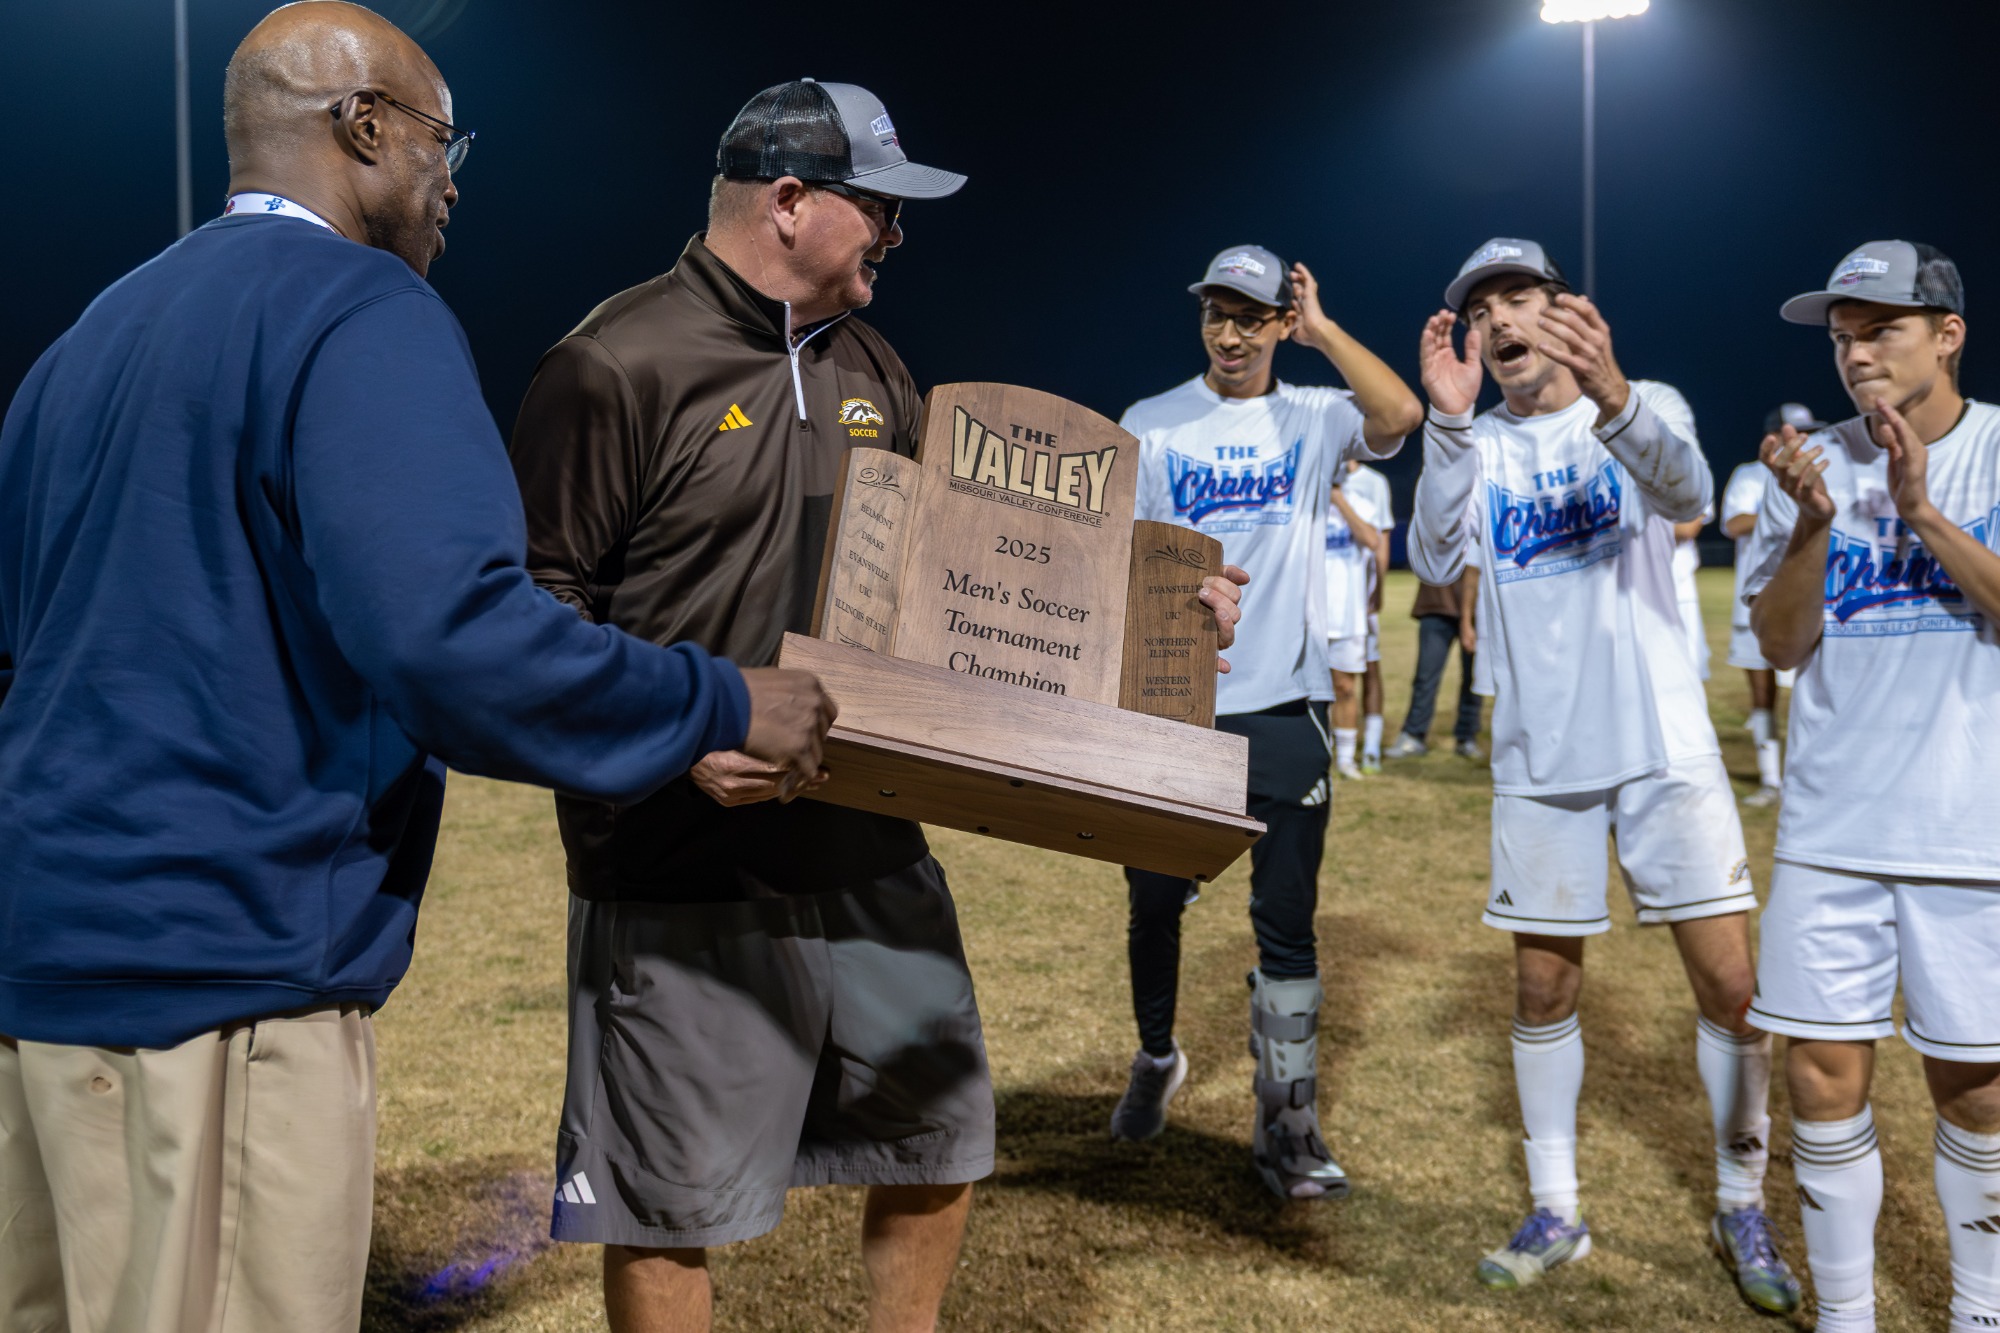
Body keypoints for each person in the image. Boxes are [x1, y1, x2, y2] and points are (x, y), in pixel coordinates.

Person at [0, 8, 834, 1331]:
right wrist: (722, 698)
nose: (453, 182)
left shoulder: (85, 341)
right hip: (223, 976)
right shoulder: (361, 306)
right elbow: (455, 639)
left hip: (42, 977)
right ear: (366, 129)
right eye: (445, 143)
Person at [507, 81, 1244, 1332]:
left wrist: (1156, 618)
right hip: (680, 862)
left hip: (868, 842)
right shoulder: (611, 362)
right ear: (789, 204)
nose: (896, 236)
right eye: (878, 208)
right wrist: (684, 736)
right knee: (667, 1200)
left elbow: (959, 581)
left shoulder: (874, 368)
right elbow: (532, 610)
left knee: (939, 1136)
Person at [1409, 237, 1799, 1311]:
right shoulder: (1476, 442)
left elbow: (1681, 485)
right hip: (1540, 759)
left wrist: (1615, 388)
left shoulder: (1637, 404)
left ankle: (1737, 1201)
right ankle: (1556, 1208)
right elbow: (1436, 558)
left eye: (1515, 298)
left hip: (1663, 744)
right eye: (1479, 309)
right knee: (1541, 986)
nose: (1495, 322)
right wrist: (1443, 422)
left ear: (1560, 310)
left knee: (1730, 987)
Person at [1107, 244, 1421, 1202]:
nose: (1230, 333)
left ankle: (1288, 1125)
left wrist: (1323, 329)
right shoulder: (1151, 422)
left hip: (1285, 705)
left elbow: (1401, 414)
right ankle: (1158, 1054)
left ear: (1281, 325)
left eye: (1251, 316)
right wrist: (1173, 583)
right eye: (1216, 313)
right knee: (1155, 904)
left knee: (1286, 923)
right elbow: (1117, 556)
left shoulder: (1316, 417)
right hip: (1175, 710)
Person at [1747, 241, 2000, 1333]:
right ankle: (1846, 1318)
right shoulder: (1809, 466)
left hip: (1969, 825)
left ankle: (1979, 1312)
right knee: (1819, 1081)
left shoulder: (1995, 447)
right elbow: (1779, 642)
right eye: (1841, 336)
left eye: (1879, 329)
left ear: (1945, 333)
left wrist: (1923, 512)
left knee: (1979, 1093)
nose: (1854, 355)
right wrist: (1810, 522)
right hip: (1829, 827)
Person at [1721, 402, 1820, 807]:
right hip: (1757, 600)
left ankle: (1807, 779)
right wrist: (1794, 513)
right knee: (1762, 698)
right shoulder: (1750, 474)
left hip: (1808, 600)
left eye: (1808, 430)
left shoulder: (1822, 473)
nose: (1804, 438)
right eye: (1795, 431)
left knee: (1813, 697)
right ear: (1773, 436)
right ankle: (1770, 780)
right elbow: (1733, 523)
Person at [1326, 458, 1393, 779]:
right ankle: (1321, 751)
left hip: (1347, 610)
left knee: (1345, 685)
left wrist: (1338, 499)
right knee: (1312, 690)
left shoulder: (1363, 497)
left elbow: (1373, 540)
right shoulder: (1307, 493)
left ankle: (1348, 758)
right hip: (1310, 612)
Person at [1383, 568, 1483, 760]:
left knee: (1473, 678)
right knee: (1425, 676)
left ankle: (1467, 736)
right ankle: (1413, 734)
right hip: (1437, 605)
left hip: (1477, 608)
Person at [1672, 505, 1714, 680]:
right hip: (1627, 582)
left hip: (1678, 584)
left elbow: (1687, 528)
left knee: (1687, 669)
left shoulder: (1692, 477)